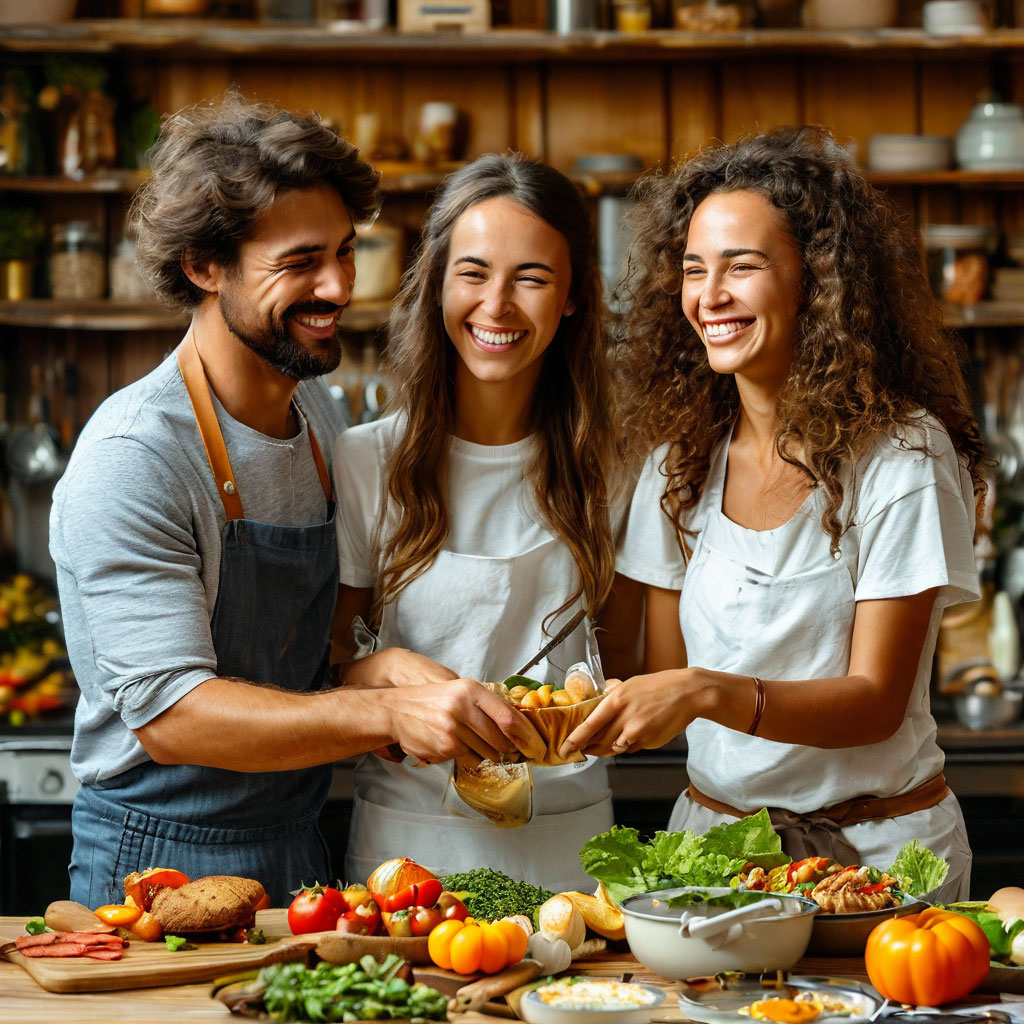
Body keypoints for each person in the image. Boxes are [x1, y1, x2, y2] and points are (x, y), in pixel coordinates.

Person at [49, 96, 541, 909]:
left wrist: (376, 668)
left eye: (347, 252)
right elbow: (175, 716)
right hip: (161, 860)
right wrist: (383, 715)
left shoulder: (315, 411)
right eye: (302, 261)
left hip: (297, 841)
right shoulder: (137, 456)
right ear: (206, 265)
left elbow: (297, 656)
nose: (340, 286)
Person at [562, 126, 987, 901]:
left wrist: (702, 692)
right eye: (693, 269)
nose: (709, 296)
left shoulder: (902, 457)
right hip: (716, 856)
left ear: (816, 282)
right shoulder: (680, 464)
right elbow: (661, 676)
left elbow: (875, 702)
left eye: (741, 265)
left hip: (880, 861)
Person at [333, 153, 632, 892]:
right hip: (405, 853)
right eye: (472, 273)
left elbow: (630, 672)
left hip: (572, 850)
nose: (496, 305)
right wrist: (393, 674)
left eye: (531, 278)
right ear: (436, 283)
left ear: (571, 299)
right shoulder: (367, 459)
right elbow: (330, 669)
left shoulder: (618, 467)